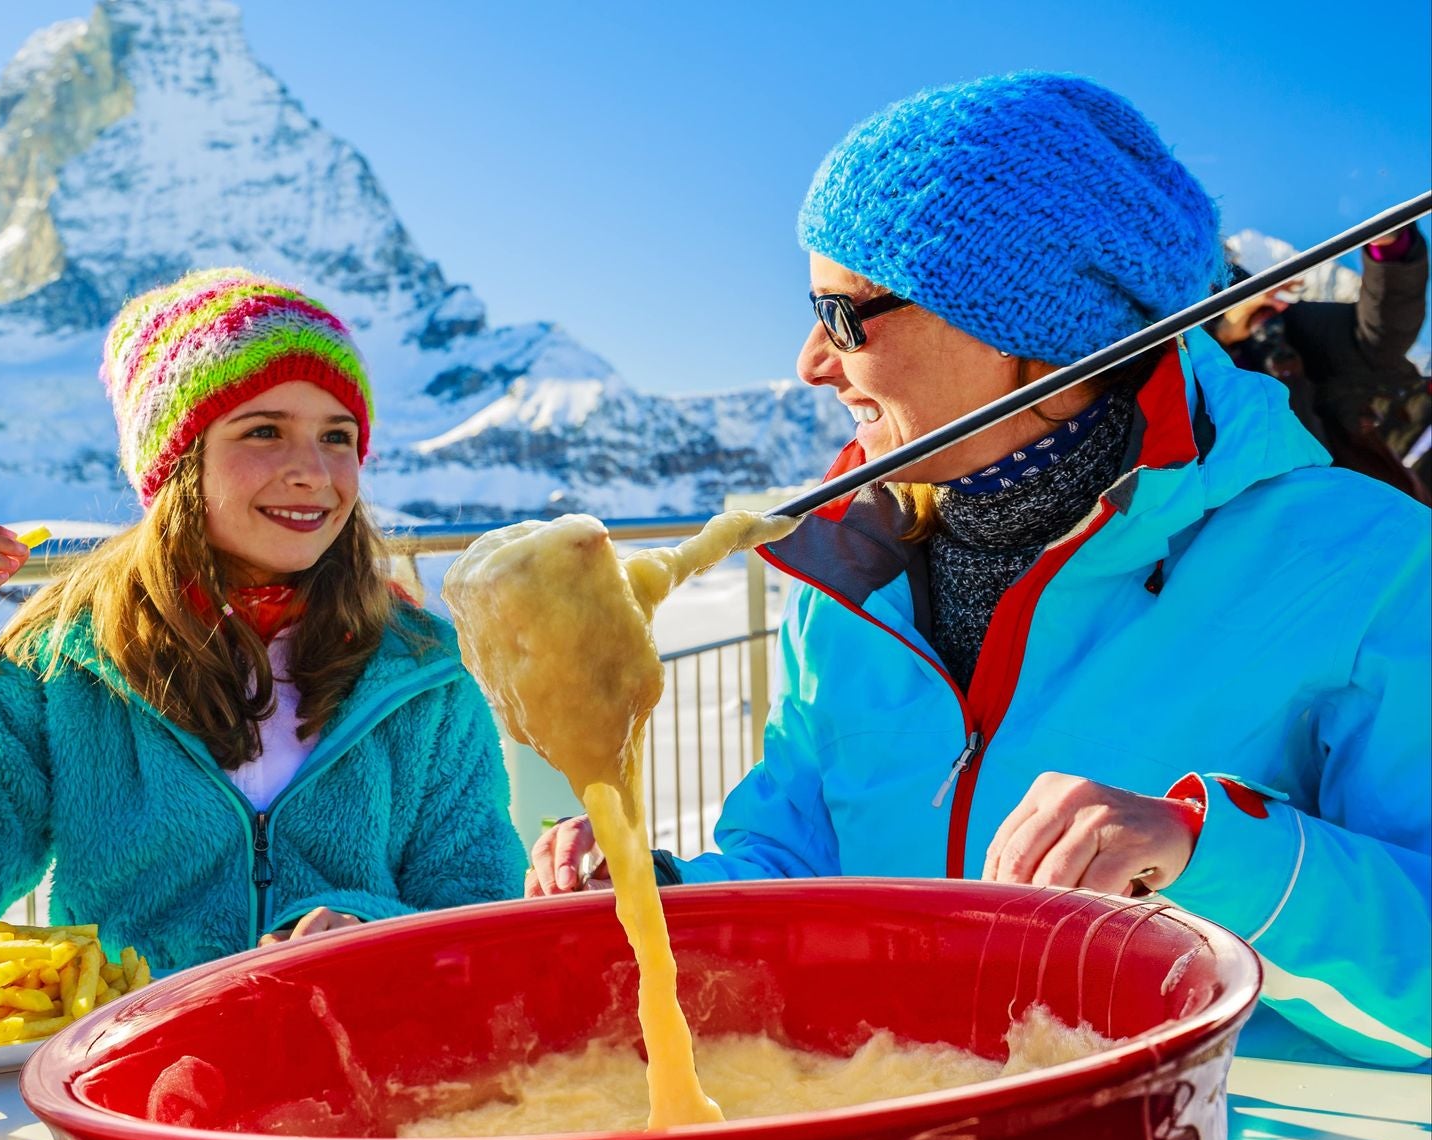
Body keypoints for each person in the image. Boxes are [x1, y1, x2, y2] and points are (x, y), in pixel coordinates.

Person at [529, 74, 1429, 1069]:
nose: (807, 364)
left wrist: (1202, 852)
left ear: (1034, 332)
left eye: (842, 314)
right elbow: (793, 860)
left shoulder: (1365, 565)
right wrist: (666, 900)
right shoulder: (849, 578)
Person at [0, 268, 525, 983]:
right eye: (264, 429)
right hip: (132, 1080)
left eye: (337, 436)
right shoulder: (66, 666)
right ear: (179, 462)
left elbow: (479, 921)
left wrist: (363, 933)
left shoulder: (421, 672)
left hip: (363, 1069)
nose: (314, 470)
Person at [1212, 224, 1430, 503]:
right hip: (1299, 515)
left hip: (1382, 489)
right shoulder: (1179, 374)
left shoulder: (1280, 327)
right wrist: (1221, 338)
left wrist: (1390, 250)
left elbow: (1376, 336)